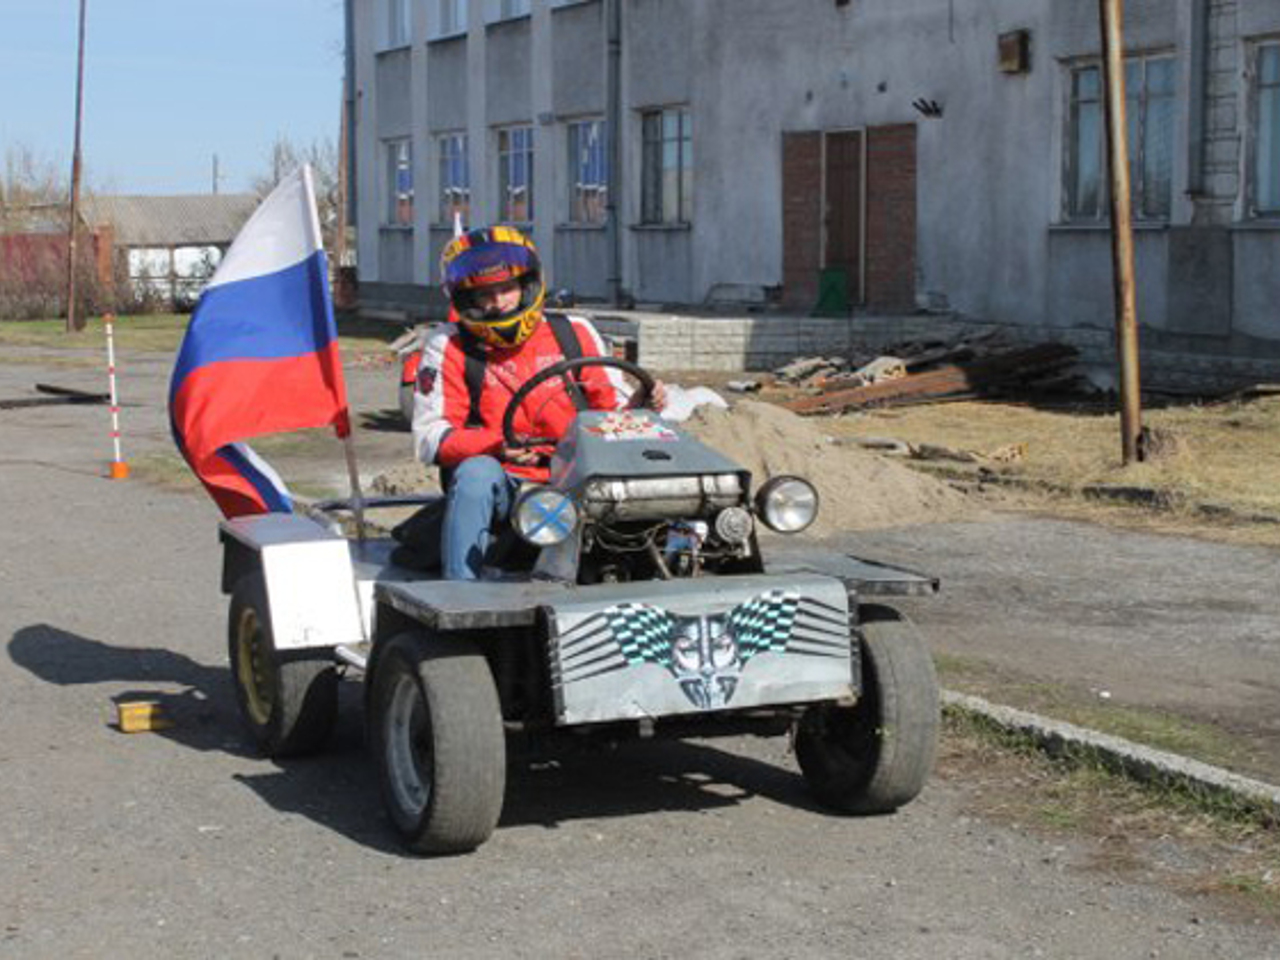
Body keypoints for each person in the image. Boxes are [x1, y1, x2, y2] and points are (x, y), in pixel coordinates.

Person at [412, 225, 665, 580]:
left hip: (582, 477)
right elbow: (430, 439)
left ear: (527, 285)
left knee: (662, 457)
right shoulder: (448, 345)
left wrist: (640, 405)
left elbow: (610, 414)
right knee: (474, 474)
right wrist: (496, 446)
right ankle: (461, 591)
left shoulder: (574, 331)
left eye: (506, 289)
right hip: (508, 482)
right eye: (485, 294)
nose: (498, 302)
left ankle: (666, 569)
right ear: (465, 298)